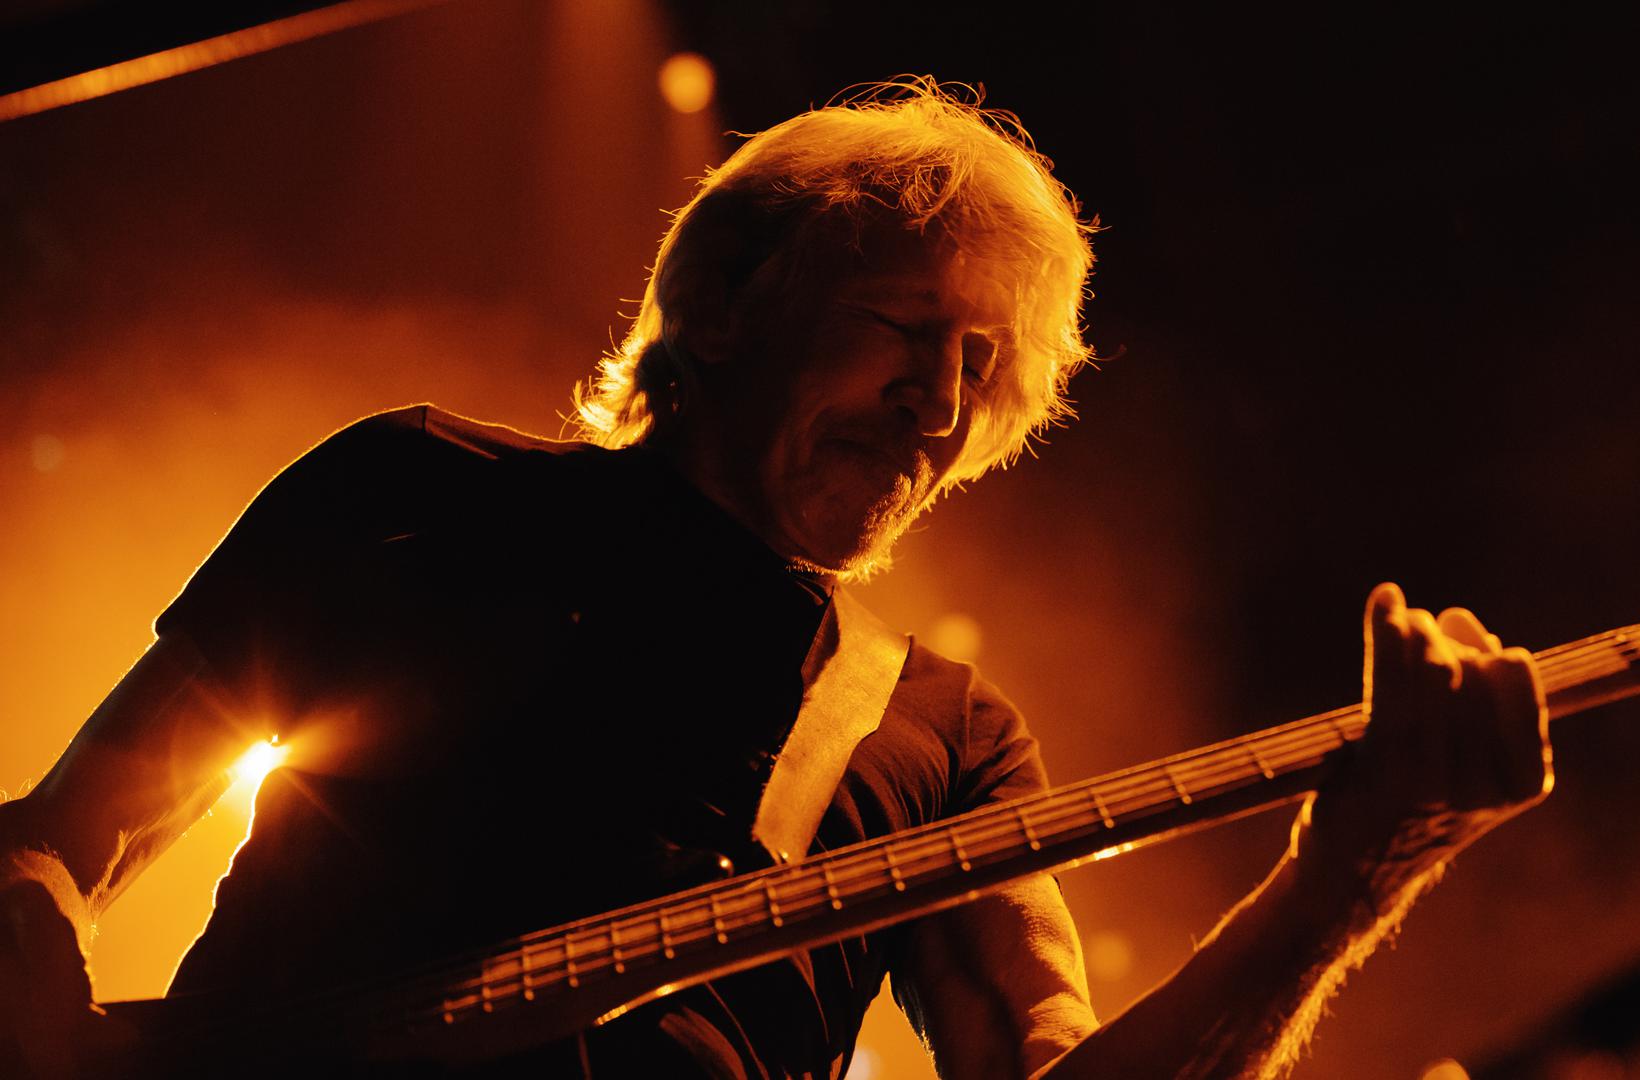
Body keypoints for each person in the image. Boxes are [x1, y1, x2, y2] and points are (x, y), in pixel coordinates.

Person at [0, 81, 1550, 1078]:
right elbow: (65, 838)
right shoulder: (414, 495)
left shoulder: (946, 736)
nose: (940, 408)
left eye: (984, 368)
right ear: (729, 301)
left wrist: (1349, 882)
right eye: (905, 331)